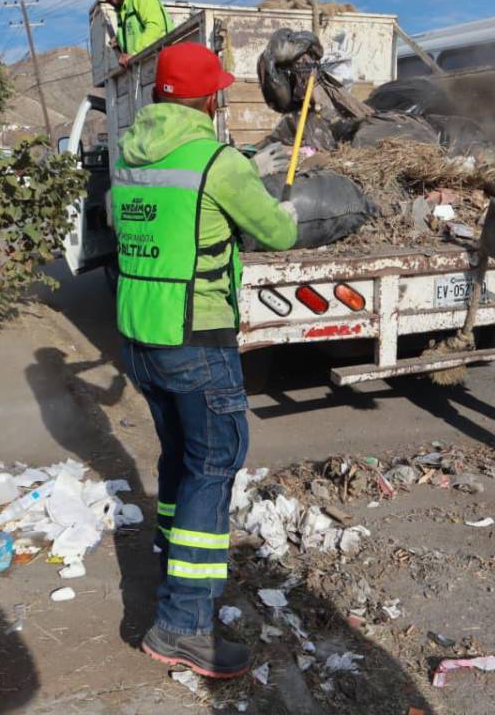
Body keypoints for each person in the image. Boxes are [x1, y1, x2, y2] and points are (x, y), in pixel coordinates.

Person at [113, 43, 297, 678]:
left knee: (180, 457)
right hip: (196, 335)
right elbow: (278, 233)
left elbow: (160, 219)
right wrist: (277, 201)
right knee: (213, 466)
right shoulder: (217, 162)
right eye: (217, 90)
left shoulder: (130, 156)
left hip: (140, 336)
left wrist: (242, 170)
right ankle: (183, 625)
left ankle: (173, 561)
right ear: (211, 99)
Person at [87, 0, 173, 68]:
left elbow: (156, 27)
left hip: (165, 64)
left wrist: (134, 55)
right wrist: (118, 40)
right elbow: (132, 31)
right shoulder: (122, 10)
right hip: (146, 68)